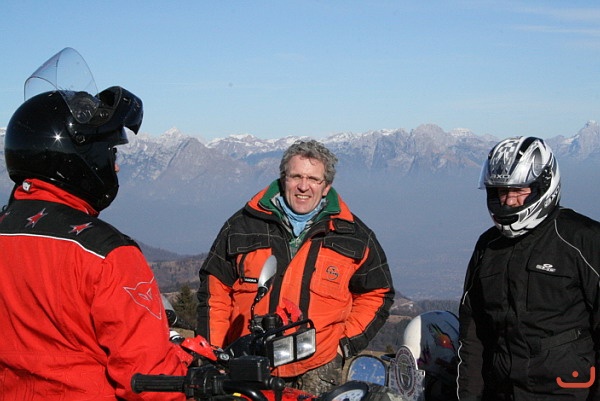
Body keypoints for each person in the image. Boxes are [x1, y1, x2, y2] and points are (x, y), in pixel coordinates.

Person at [0, 49, 192, 400]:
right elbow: (150, 382)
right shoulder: (107, 255)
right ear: (79, 158)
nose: (115, 166)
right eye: (111, 153)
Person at [196, 139, 395, 395]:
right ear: (283, 179)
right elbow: (215, 293)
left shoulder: (353, 235)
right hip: (249, 360)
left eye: (313, 179)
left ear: (326, 186)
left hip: (318, 365)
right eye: (296, 176)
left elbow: (377, 294)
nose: (303, 186)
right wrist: (214, 353)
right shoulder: (242, 226)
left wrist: (343, 344)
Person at [457, 136, 600, 401]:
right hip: (504, 391)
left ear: (542, 185)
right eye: (501, 191)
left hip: (568, 391)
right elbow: (473, 334)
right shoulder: (488, 246)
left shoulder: (583, 240)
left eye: (518, 190)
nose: (509, 201)